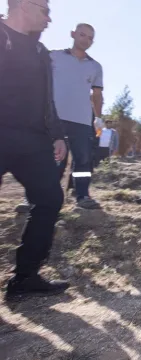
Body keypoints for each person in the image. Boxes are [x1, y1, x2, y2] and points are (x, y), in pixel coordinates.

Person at [1, 0, 71, 300]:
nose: (49, 19)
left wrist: (57, 134)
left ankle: (26, 276)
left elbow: (47, 99)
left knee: (50, 198)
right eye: (45, 10)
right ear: (24, 5)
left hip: (33, 139)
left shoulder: (40, 52)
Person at [48, 23, 104, 209]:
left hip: (81, 121)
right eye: (82, 35)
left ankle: (82, 196)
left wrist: (98, 117)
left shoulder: (95, 66)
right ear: (73, 34)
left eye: (90, 38)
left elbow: (96, 95)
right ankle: (38, 196)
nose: (86, 40)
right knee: (52, 160)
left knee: (83, 161)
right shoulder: (53, 57)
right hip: (55, 119)